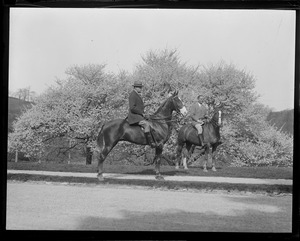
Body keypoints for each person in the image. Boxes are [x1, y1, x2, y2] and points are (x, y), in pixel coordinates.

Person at [128, 80, 156, 148]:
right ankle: (150, 142)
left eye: (141, 87)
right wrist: (142, 113)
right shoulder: (133, 95)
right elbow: (132, 108)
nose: (141, 89)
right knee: (146, 124)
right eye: (140, 87)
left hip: (138, 115)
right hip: (134, 116)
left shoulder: (136, 94)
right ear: (135, 87)